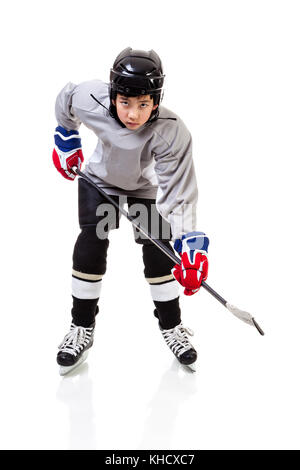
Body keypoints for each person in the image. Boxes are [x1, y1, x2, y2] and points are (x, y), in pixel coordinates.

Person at [53, 47, 209, 375]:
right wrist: (66, 136)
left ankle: (172, 326)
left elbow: (180, 195)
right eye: (125, 102)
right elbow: (67, 99)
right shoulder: (90, 99)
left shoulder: (171, 132)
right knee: (92, 241)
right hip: (100, 182)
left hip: (144, 188)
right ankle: (81, 327)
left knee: (158, 250)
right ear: (112, 95)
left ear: (156, 100)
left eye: (143, 104)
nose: (133, 114)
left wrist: (189, 248)